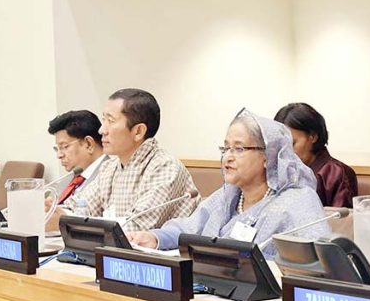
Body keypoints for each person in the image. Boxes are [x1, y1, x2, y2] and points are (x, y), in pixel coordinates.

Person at [129, 109, 330, 260]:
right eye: (225, 148)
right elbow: (190, 228)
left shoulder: (298, 199)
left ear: (268, 156)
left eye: (239, 149)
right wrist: (155, 238)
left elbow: (319, 260)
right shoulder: (228, 194)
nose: (228, 157)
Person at [56, 88, 197, 232]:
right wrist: (57, 214)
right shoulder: (109, 167)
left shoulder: (165, 167)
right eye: (103, 120)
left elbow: (137, 227)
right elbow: (80, 208)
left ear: (138, 131)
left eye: (110, 121)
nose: (101, 130)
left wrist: (70, 222)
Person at [274, 103, 358, 208]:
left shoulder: (337, 173)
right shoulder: (280, 171)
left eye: (293, 143)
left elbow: (339, 221)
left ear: (313, 136)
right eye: (282, 145)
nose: (286, 151)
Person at [47, 110, 107, 204]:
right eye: (57, 149)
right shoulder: (68, 179)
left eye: (64, 147)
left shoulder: (110, 177)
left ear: (89, 144)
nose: (59, 155)